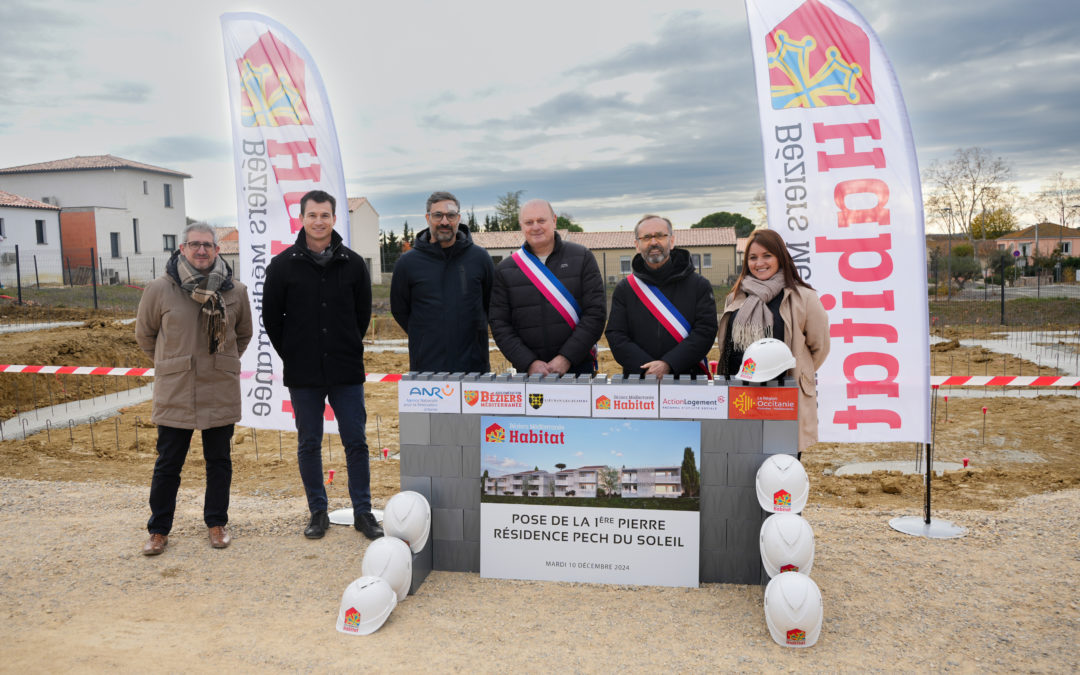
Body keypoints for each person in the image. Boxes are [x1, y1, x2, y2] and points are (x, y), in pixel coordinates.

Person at [262, 189, 383, 541]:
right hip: (304, 373)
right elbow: (272, 319)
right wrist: (296, 353)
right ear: (301, 219)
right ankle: (318, 512)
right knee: (309, 442)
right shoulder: (283, 265)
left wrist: (343, 345)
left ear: (334, 218)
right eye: (312, 215)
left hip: (346, 371)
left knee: (356, 442)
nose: (319, 221)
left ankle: (363, 512)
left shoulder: (354, 263)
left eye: (325, 215)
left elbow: (361, 316)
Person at [135, 223, 252, 556]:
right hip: (177, 389)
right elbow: (145, 336)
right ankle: (159, 530)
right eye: (194, 245)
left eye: (208, 245)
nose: (201, 250)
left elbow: (242, 335)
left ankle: (216, 523)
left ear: (217, 250)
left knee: (219, 460)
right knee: (168, 462)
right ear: (182, 248)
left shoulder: (235, 291)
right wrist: (171, 362)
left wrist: (223, 361)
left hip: (219, 387)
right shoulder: (160, 289)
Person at [716, 229, 830, 452]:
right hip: (742, 396)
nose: (759, 263)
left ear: (780, 257)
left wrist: (798, 371)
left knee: (781, 469)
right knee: (743, 465)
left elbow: (820, 347)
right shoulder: (736, 296)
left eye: (767, 255)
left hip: (782, 397)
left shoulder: (803, 297)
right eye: (753, 257)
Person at [489, 199, 606, 375]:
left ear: (554, 220)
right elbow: (500, 324)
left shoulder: (582, 257)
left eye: (541, 220)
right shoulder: (505, 269)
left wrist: (566, 358)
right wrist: (528, 362)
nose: (535, 227)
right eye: (529, 222)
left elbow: (595, 313)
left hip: (578, 367)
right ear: (521, 226)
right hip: (529, 373)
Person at [390, 191, 495, 373]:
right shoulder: (407, 263)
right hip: (427, 367)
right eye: (438, 215)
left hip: (474, 366)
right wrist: (425, 335)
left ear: (459, 218)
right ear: (427, 218)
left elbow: (491, 303)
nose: (445, 222)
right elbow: (400, 310)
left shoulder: (480, 258)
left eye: (451, 215)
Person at [606, 215, 717, 377]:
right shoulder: (625, 289)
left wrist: (669, 364)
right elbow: (616, 335)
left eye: (660, 235)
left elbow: (705, 332)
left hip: (688, 378)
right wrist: (647, 369)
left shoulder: (699, 285)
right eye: (646, 237)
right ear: (637, 245)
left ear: (671, 241)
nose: (653, 242)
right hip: (639, 380)